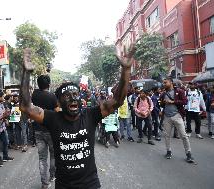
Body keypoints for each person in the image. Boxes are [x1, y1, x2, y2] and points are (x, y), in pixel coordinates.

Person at [19, 44, 135, 189]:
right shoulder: (53, 118)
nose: (73, 99)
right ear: (59, 102)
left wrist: (126, 69)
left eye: (75, 95)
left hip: (90, 184)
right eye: (67, 96)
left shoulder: (91, 115)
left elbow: (118, 100)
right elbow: (25, 107)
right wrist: (26, 72)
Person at [32, 74, 59, 189]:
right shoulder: (52, 96)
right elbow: (57, 111)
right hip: (50, 130)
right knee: (53, 155)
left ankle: (44, 183)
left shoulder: (34, 95)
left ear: (38, 84)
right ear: (49, 84)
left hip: (38, 130)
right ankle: (52, 176)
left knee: (42, 158)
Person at [159, 78, 195, 163]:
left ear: (171, 82)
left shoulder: (179, 91)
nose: (164, 84)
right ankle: (168, 151)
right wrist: (162, 105)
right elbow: (160, 102)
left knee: (183, 135)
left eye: (165, 82)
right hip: (167, 117)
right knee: (166, 135)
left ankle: (188, 154)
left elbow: (185, 101)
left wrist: (173, 101)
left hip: (177, 116)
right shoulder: (163, 93)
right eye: (163, 83)